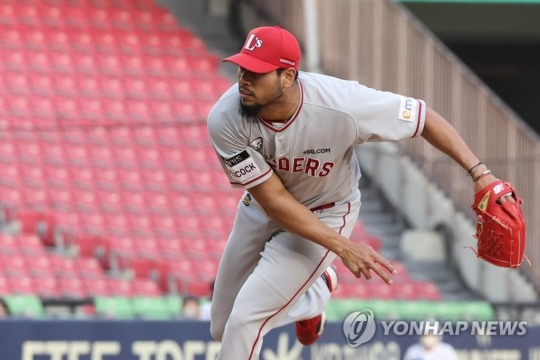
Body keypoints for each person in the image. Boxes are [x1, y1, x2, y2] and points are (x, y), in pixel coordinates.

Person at [206, 26, 508, 359]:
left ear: (288, 76)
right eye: (242, 67)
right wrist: (344, 248)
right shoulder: (226, 117)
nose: (244, 79)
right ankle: (314, 295)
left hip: (327, 210)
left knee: (245, 321)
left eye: (257, 72)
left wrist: (479, 173)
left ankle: (311, 287)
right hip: (262, 208)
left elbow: (424, 119)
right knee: (222, 326)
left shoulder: (343, 104)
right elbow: (274, 200)